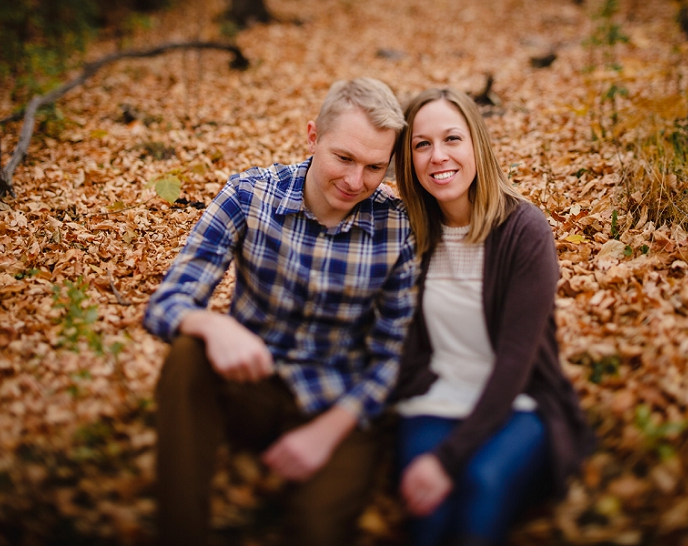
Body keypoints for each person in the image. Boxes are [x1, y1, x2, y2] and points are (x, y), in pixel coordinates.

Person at [142, 77, 420, 546]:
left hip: (336, 401)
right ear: (312, 137)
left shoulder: (398, 228)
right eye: (344, 158)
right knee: (189, 351)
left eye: (375, 167)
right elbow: (168, 301)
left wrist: (325, 435)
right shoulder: (251, 195)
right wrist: (210, 323)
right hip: (251, 379)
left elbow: (395, 356)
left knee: (316, 531)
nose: (356, 182)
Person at [391, 88, 595, 546]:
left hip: (519, 402)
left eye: (452, 139)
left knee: (483, 483)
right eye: (422, 144)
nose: (437, 156)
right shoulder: (409, 231)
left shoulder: (524, 231)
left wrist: (449, 458)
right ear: (408, 159)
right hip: (435, 399)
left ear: (477, 146)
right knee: (427, 515)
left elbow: (516, 360)